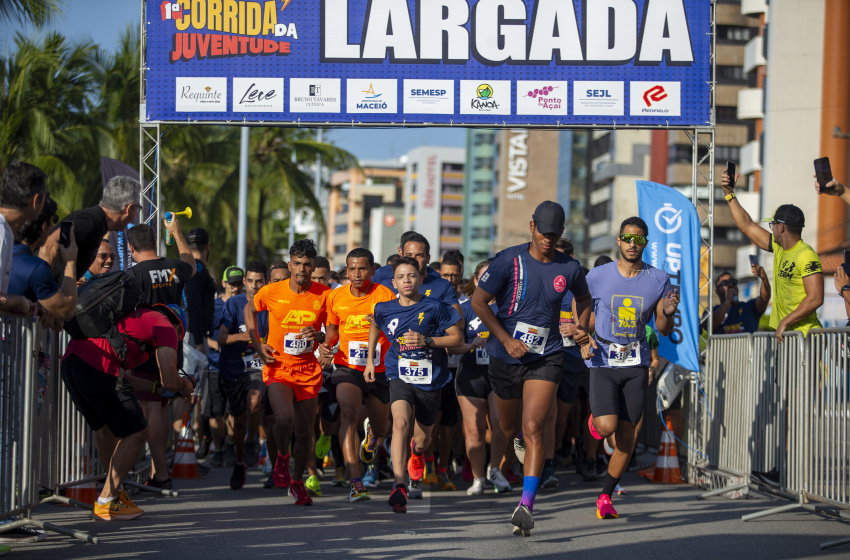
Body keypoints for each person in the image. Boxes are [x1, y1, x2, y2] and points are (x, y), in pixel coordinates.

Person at [472, 201, 592, 536]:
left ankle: (527, 504)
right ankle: (519, 443)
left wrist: (582, 325)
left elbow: (584, 298)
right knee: (508, 429)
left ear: (562, 233)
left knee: (534, 426)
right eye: (543, 232)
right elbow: (479, 302)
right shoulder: (509, 260)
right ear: (531, 227)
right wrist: (505, 339)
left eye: (555, 234)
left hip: (546, 355)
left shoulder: (569, 267)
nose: (548, 239)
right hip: (505, 356)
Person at [580, 216, 680, 521]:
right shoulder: (597, 276)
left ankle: (606, 495)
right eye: (627, 238)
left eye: (639, 239)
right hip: (604, 360)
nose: (632, 244)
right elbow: (580, 303)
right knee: (608, 427)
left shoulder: (659, 279)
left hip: (636, 362)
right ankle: (596, 422)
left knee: (626, 437)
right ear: (619, 241)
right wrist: (583, 336)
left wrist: (667, 312)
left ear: (645, 243)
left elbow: (662, 329)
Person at [61, 302, 194, 520]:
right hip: (99, 366)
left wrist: (155, 388)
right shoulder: (167, 327)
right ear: (179, 330)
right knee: (137, 431)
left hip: (73, 362)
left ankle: (115, 493)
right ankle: (106, 501)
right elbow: (171, 381)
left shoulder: (137, 317)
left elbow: (123, 377)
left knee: (105, 428)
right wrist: (183, 386)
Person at [364, 257, 463, 513]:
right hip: (399, 373)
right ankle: (399, 485)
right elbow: (375, 322)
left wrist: (427, 340)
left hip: (431, 378)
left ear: (420, 279)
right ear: (394, 281)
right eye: (401, 277)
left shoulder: (436, 306)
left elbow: (456, 338)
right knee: (399, 423)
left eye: (411, 276)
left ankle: (417, 454)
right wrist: (370, 360)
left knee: (422, 439)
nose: (406, 280)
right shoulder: (384, 308)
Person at [246, 240, 330, 506]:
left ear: (313, 266)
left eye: (307, 264)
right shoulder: (272, 291)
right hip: (278, 367)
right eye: (297, 264)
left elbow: (334, 332)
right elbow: (250, 309)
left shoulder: (325, 294)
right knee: (283, 420)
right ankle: (282, 456)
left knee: (306, 432)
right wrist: (257, 343)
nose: (302, 269)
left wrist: (320, 336)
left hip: (308, 370)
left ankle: (296, 482)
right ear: (290, 263)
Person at [320, 248, 396, 501]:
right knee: (348, 414)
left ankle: (373, 439)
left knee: (381, 426)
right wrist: (326, 345)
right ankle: (356, 481)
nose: (356, 274)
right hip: (347, 367)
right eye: (351, 269)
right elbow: (332, 330)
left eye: (362, 268)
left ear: (372, 271)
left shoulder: (385, 295)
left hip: (380, 369)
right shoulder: (335, 297)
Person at [125, 219, 195, 489]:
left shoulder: (133, 275)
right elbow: (190, 265)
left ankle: (161, 473)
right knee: (161, 403)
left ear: (131, 248)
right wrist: (177, 233)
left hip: (145, 345)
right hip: (172, 340)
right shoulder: (175, 267)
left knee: (152, 405)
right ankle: (159, 470)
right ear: (155, 242)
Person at [722, 170, 823, 337]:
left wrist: (786, 320)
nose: (772, 228)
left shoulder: (806, 255)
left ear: (781, 227)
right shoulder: (779, 248)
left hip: (806, 337)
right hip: (787, 336)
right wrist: (729, 194)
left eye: (773, 224)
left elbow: (816, 298)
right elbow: (746, 226)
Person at [449, 259, 513, 495]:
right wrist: (469, 345)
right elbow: (452, 346)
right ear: (476, 281)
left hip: (500, 373)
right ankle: (478, 478)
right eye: (484, 278)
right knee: (474, 431)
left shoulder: (508, 308)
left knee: (501, 425)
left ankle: (494, 469)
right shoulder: (464, 307)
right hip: (471, 373)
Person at [217, 260, 268, 489]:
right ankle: (239, 462)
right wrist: (247, 337)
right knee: (238, 422)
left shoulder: (272, 304)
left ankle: (251, 442)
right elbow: (221, 338)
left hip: (258, 368)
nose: (254, 286)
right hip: (234, 368)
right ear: (245, 281)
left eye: (259, 281)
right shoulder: (234, 304)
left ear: (265, 282)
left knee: (255, 400)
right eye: (250, 281)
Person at [546, 238, 589, 489]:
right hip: (544, 356)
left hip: (571, 358)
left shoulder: (580, 287)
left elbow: (591, 319)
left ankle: (558, 450)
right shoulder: (544, 282)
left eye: (564, 257)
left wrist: (578, 328)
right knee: (547, 414)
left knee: (561, 416)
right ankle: (545, 463)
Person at [9, 195, 78, 324]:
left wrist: (36, 308)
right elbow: (66, 310)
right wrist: (70, 261)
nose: (53, 228)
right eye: (53, 221)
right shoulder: (37, 268)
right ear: (44, 226)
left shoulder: (6, 254)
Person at [62, 176, 141, 281]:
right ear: (129, 208)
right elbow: (50, 247)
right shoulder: (89, 223)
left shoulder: (96, 221)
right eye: (138, 209)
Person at [205, 267, 245, 469]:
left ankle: (230, 446)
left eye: (239, 284)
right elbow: (204, 334)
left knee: (233, 410)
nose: (236, 288)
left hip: (237, 365)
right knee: (216, 412)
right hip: (214, 365)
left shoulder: (246, 304)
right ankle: (218, 450)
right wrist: (215, 345)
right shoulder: (214, 306)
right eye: (232, 284)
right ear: (224, 284)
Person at [0, 162, 45, 318]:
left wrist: (13, 306)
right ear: (36, 201)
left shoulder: (5, 230)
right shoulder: (1, 233)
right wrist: (17, 300)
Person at [711, 265, 770, 334]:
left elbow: (764, 299)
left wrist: (764, 279)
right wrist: (727, 301)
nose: (730, 285)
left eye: (733, 282)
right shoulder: (711, 311)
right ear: (717, 291)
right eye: (725, 283)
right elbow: (710, 325)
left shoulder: (748, 307)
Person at [185, 228, 216, 350]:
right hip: (193, 335)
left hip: (191, 332)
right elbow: (193, 304)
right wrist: (199, 342)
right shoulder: (198, 269)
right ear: (207, 246)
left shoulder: (190, 267)